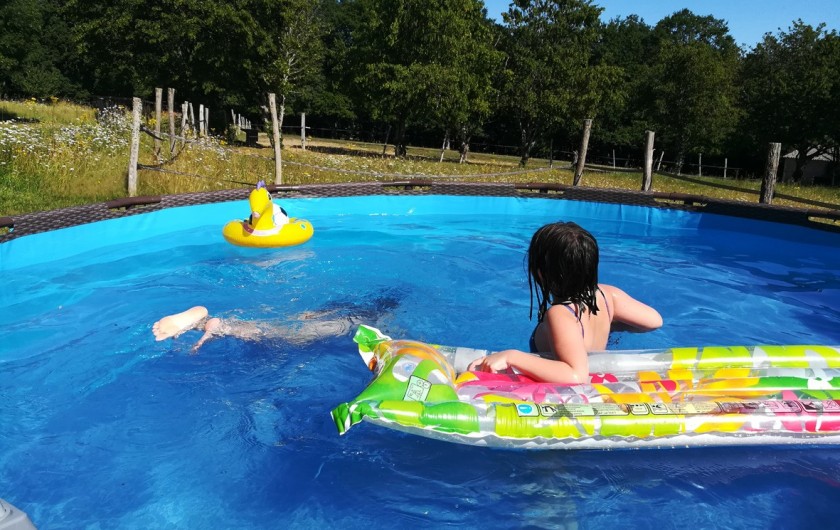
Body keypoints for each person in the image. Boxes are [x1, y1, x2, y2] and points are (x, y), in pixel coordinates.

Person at [467, 221, 662, 384]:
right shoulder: (608, 296)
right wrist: (612, 324)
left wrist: (511, 356)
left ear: (540, 274)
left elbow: (575, 375)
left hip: (566, 395)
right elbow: (654, 321)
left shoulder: (560, 313)